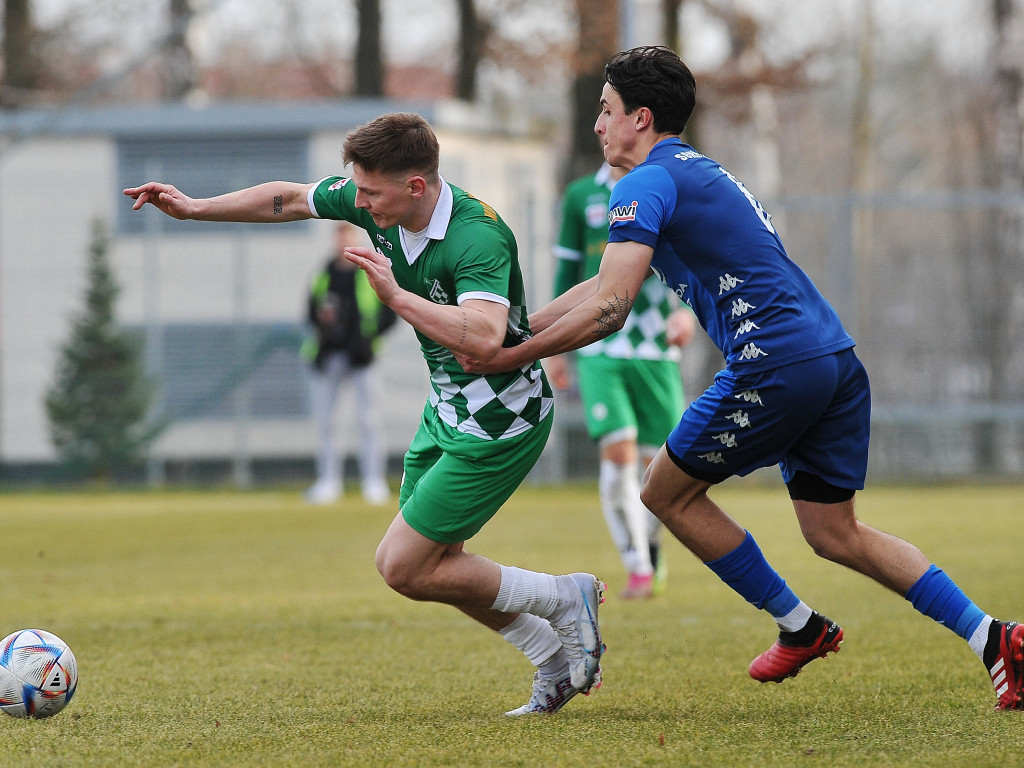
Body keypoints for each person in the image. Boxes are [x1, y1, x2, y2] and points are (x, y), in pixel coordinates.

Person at [459, 46, 1024, 710]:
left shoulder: (641, 185)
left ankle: (801, 625)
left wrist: (508, 357)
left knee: (665, 493)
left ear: (641, 118)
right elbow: (601, 284)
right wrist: (519, 328)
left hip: (775, 362)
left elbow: (612, 307)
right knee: (834, 532)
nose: (597, 126)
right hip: (832, 358)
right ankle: (996, 639)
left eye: (606, 111)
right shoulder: (694, 172)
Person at [124, 112, 605, 716]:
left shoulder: (476, 236)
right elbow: (290, 198)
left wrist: (397, 298)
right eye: (359, 190)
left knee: (402, 567)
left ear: (416, 186)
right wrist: (194, 208)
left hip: (499, 420)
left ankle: (563, 597)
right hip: (447, 411)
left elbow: (483, 340)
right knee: (437, 565)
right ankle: (552, 661)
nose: (361, 202)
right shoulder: (377, 201)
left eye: (372, 193)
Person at [547, 160, 696, 599]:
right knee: (618, 451)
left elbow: (692, 264)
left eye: (610, 113)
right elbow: (567, 271)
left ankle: (649, 545)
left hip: (655, 350)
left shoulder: (667, 186)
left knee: (660, 468)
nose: (601, 125)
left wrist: (687, 313)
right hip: (599, 345)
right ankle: (638, 566)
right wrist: (555, 346)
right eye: (601, 113)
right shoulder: (580, 196)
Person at [302, 221, 396, 506]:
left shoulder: (368, 274)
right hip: (330, 356)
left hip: (364, 359)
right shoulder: (323, 275)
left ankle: (374, 482)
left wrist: (368, 340)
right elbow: (310, 313)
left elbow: (390, 311)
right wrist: (324, 326)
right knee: (329, 422)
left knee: (369, 420)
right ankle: (329, 482)